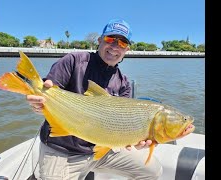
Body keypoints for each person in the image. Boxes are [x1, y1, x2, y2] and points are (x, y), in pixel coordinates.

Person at [26, 19, 163, 180]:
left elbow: (123, 125)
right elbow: (48, 90)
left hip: (103, 150)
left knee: (153, 171)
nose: (115, 47)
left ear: (127, 49)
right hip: (63, 150)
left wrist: (135, 139)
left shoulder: (124, 83)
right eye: (111, 40)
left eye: (122, 43)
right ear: (99, 41)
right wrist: (38, 102)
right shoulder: (73, 61)